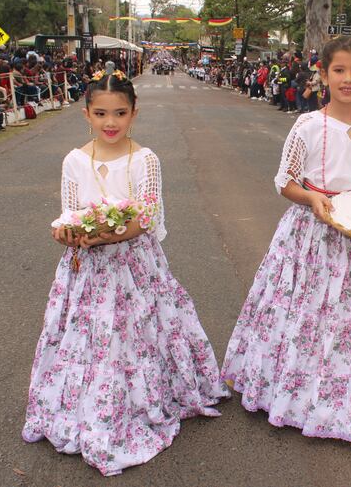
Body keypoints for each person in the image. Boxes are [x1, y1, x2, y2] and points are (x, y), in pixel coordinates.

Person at [22, 70, 228, 476]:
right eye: (101, 114)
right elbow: (69, 212)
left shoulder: (144, 159)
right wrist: (67, 233)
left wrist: (107, 236)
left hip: (134, 264)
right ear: (87, 114)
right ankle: (88, 402)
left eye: (119, 113)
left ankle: (140, 397)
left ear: (135, 113)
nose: (110, 122)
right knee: (92, 337)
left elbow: (146, 217)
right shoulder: (75, 160)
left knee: (136, 332)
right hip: (87, 271)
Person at [221, 37, 351, 444]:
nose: (347, 79)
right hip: (311, 235)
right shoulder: (307, 125)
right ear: (323, 75)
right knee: (309, 312)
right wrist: (311, 197)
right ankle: (296, 393)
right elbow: (285, 182)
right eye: (338, 70)